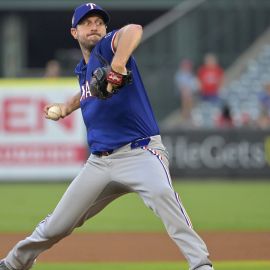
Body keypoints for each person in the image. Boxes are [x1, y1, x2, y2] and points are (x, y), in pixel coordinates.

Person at [0, 3, 214, 270]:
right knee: (57, 225)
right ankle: (13, 263)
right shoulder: (83, 69)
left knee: (162, 194)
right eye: (87, 22)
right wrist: (67, 107)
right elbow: (90, 89)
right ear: (74, 32)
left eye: (99, 22)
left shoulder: (107, 49)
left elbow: (134, 30)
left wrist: (119, 63)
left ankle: (201, 265)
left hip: (140, 152)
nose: (95, 26)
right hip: (99, 163)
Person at [174, 59, 198, 124]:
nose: (187, 67)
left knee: (190, 99)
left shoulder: (191, 74)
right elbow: (181, 86)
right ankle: (185, 116)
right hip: (183, 95)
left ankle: (189, 116)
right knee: (186, 97)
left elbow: (195, 86)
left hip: (190, 94)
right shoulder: (179, 75)